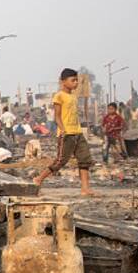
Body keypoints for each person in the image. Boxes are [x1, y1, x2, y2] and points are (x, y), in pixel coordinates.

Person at [33, 68, 94, 196]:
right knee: (61, 161)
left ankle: (85, 188)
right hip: (66, 133)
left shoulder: (73, 96)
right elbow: (57, 116)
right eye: (73, 80)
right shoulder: (59, 96)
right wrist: (63, 130)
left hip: (77, 132)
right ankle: (39, 179)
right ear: (63, 82)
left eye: (77, 80)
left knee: (84, 159)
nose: (76, 83)